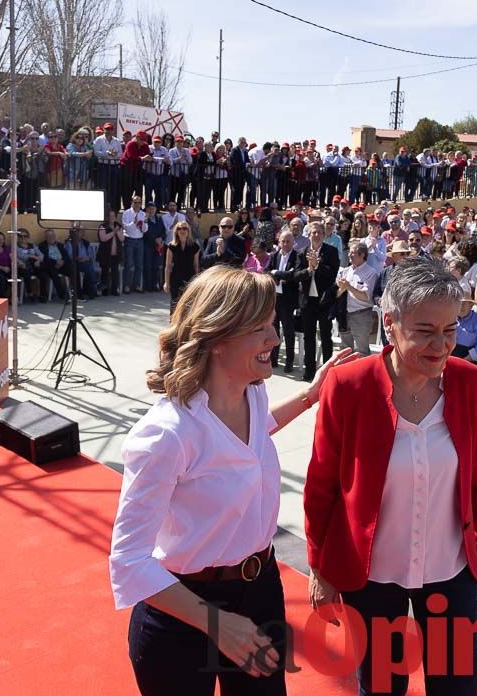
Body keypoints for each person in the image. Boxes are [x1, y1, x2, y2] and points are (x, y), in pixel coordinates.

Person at [110, 266, 354, 695]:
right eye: (260, 329)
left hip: (260, 593)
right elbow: (129, 563)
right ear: (218, 339)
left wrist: (310, 395)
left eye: (272, 325)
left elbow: (254, 434)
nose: (275, 339)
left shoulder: (252, 393)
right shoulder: (166, 433)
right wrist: (217, 625)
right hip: (181, 616)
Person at [304, 256, 477, 696]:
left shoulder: (470, 382)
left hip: (451, 572)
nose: (442, 345)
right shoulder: (348, 386)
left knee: (456, 687)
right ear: (389, 324)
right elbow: (322, 485)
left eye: (450, 331)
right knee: (381, 687)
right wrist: (320, 565)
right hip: (372, 576)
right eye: (425, 332)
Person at [295, 221, 339, 381]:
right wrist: (309, 269)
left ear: (323, 234)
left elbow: (332, 274)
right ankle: (310, 371)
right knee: (309, 336)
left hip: (324, 301)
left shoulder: (331, 251)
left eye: (319, 232)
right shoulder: (301, 252)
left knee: (326, 336)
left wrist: (317, 265)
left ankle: (327, 372)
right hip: (307, 301)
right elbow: (296, 275)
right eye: (314, 232)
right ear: (309, 234)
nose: (316, 235)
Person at [267, 230, 303, 372]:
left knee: (288, 331)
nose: (285, 244)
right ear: (279, 242)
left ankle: (289, 361)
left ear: (293, 242)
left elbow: (293, 275)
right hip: (275, 298)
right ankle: (274, 359)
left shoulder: (297, 256)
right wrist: (278, 276)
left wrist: (277, 273)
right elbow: (267, 271)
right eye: (283, 241)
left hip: (289, 300)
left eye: (288, 241)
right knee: (273, 330)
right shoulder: (274, 255)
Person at [336, 241, 378, 356]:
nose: (349, 255)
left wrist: (348, 286)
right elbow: (336, 295)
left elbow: (365, 296)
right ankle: (345, 373)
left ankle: (362, 374)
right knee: (345, 350)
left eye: (353, 253)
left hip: (361, 315)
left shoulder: (371, 273)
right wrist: (341, 289)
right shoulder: (344, 271)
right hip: (344, 314)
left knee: (362, 350)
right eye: (349, 252)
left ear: (362, 255)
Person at [164, 220, 200, 311]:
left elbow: (196, 265)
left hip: (190, 277)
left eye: (185, 228)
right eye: (179, 228)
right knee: (175, 303)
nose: (182, 230)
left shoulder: (194, 246)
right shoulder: (171, 246)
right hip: (176, 277)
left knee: (188, 303)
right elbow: (168, 266)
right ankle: (173, 323)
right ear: (176, 231)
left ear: (188, 231)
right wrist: (166, 282)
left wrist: (198, 281)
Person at [453, 284, 477, 364]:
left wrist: (462, 362)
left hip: (470, 360)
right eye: (459, 303)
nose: (462, 306)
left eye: (465, 303)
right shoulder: (450, 318)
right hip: (450, 356)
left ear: (471, 305)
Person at [121, 195, 147, 294]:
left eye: (139, 202)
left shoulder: (143, 214)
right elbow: (125, 227)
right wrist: (133, 222)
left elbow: (145, 229)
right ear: (132, 202)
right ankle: (126, 285)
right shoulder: (126, 213)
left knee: (139, 265)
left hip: (140, 240)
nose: (137, 205)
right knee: (129, 264)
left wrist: (143, 224)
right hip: (129, 240)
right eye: (135, 202)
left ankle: (136, 285)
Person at [37, 228, 70, 302]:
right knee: (53, 272)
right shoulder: (42, 246)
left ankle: (78, 293)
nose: (51, 237)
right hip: (51, 266)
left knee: (74, 269)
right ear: (45, 238)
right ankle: (62, 295)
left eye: (52, 236)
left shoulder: (60, 245)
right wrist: (56, 262)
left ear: (55, 236)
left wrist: (62, 261)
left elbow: (66, 256)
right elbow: (44, 258)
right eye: (49, 236)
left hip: (62, 265)